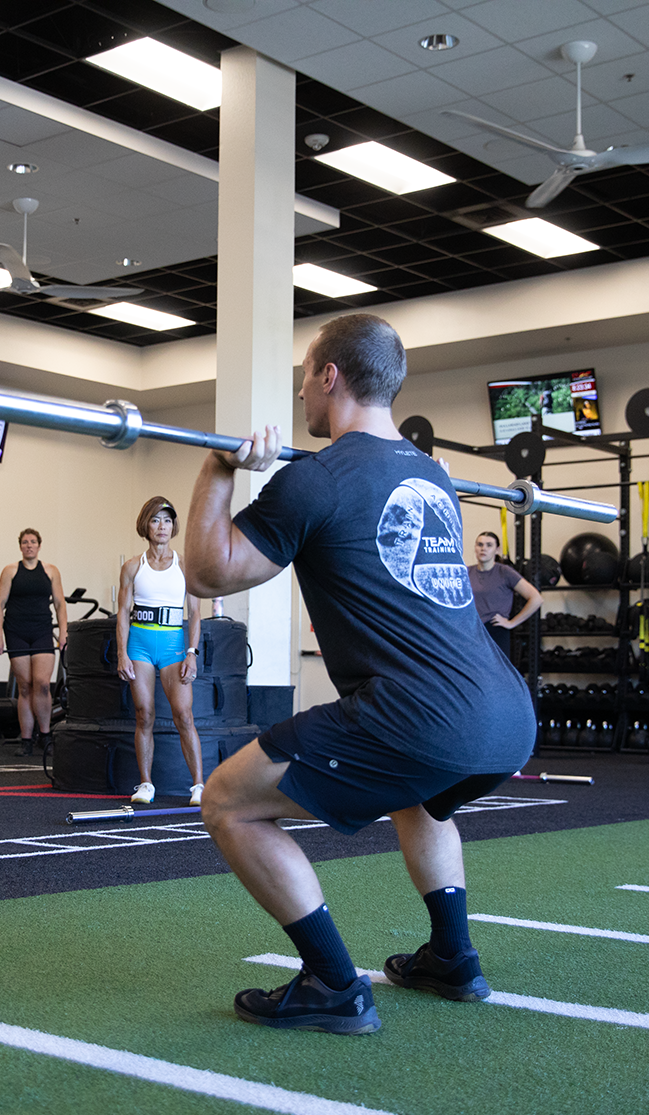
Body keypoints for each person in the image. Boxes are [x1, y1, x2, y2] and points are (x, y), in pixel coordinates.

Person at [184, 313, 536, 1035]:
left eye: (304, 380)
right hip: (507, 714)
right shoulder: (432, 477)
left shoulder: (316, 479)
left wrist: (220, 467)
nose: (302, 397)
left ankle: (334, 985)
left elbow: (207, 570)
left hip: (425, 715)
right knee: (424, 797)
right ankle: (452, 957)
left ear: (330, 376)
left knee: (226, 802)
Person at [115, 497, 204, 806]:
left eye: (167, 520)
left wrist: (191, 652)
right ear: (146, 525)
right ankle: (146, 784)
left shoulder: (185, 565)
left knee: (183, 714)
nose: (162, 526)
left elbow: (194, 613)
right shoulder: (131, 567)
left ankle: (198, 787)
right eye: (156, 520)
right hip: (139, 645)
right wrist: (122, 654)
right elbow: (123, 613)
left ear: (173, 526)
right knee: (144, 714)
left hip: (173, 646)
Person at [0, 527, 69, 756]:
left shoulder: (51, 571)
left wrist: (64, 632)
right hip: (16, 632)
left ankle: (44, 736)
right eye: (25, 542)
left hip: (42, 630)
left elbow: (60, 604)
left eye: (33, 541)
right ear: (20, 546)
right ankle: (26, 739)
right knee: (25, 686)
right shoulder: (10, 571)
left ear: (39, 545)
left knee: (42, 683)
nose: (29, 545)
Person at [469, 530, 541, 658]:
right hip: (472, 631)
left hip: (496, 630)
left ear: (497, 550)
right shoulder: (467, 572)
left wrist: (512, 622)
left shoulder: (505, 572)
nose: (483, 549)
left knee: (496, 675)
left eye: (489, 545)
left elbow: (536, 598)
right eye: (480, 544)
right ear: (475, 547)